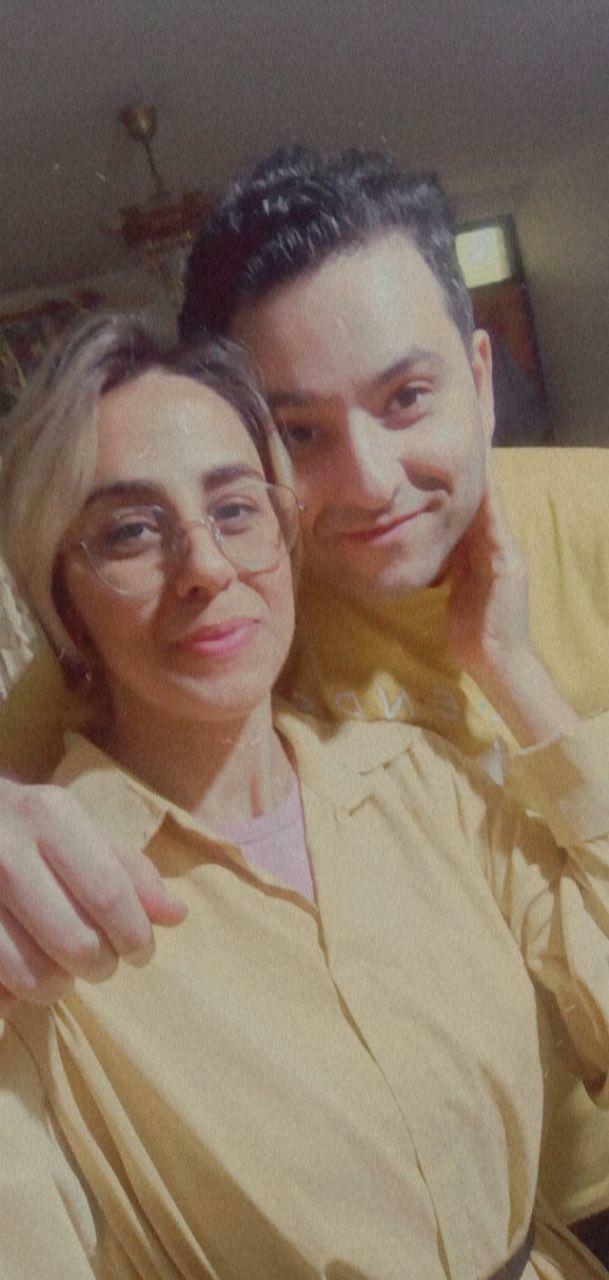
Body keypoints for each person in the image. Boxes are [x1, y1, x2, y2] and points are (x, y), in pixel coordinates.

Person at [1, 146, 609, 1245]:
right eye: (301, 433)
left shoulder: (589, 531)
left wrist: (512, 671)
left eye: (406, 396)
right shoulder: (215, 611)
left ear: (480, 377)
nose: (370, 482)